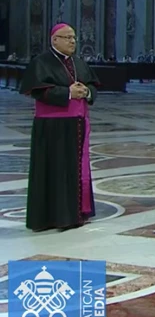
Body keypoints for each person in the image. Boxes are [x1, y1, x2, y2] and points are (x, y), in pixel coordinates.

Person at [18, 23, 99, 232]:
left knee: (76, 170)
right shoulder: (41, 62)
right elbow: (37, 91)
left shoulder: (78, 62)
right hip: (53, 128)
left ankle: (77, 213)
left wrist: (87, 93)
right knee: (56, 171)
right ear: (55, 40)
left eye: (74, 37)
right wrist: (68, 93)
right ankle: (55, 217)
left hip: (77, 125)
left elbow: (92, 86)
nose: (73, 41)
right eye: (67, 37)